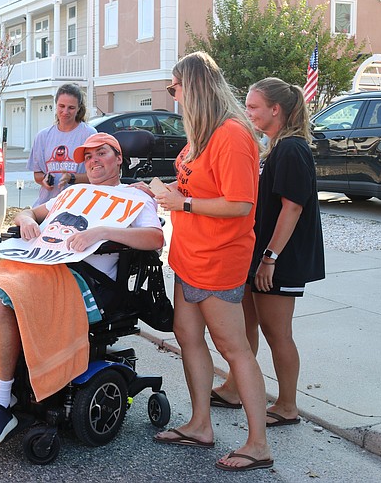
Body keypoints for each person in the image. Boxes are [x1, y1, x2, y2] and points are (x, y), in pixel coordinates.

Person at [0, 133, 164, 447]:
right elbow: (29, 213)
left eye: (101, 153)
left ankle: (2, 399)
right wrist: (24, 220)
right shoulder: (73, 192)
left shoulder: (135, 197)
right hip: (36, 265)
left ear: (119, 158)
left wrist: (101, 231)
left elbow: (155, 239)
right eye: (88, 157)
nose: (93, 161)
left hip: (83, 280)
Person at [152, 52, 273, 472]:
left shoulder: (232, 135)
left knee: (234, 349)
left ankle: (258, 443)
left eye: (175, 87)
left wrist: (181, 203)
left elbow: (241, 205)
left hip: (218, 258)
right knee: (187, 336)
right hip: (189, 256)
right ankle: (201, 424)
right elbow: (195, 185)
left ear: (196, 86)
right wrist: (166, 191)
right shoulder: (202, 136)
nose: (174, 95)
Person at [209, 77, 326, 428]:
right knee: (247, 324)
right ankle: (233, 386)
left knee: (278, 333)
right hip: (259, 253)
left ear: (276, 110)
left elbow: (293, 208)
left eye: (253, 106)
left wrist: (269, 258)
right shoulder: (273, 146)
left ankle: (288, 405)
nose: (248, 112)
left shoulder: (291, 149)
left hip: (280, 259)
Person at [27, 83, 96, 207]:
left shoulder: (89, 134)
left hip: (78, 205)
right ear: (56, 105)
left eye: (71, 108)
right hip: (46, 206)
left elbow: (96, 175)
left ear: (79, 108)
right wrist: (45, 179)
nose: (65, 112)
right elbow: (37, 174)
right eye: (61, 106)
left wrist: (72, 178)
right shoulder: (43, 136)